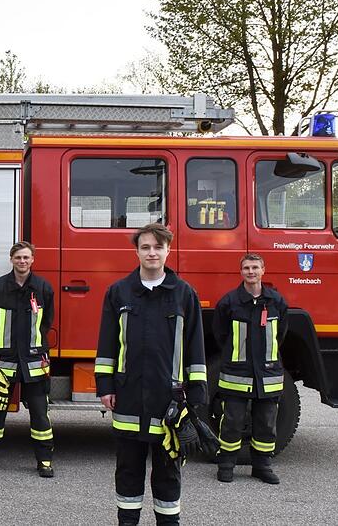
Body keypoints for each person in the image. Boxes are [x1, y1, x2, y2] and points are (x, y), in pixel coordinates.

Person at [95, 223, 207, 526]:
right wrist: (105, 384)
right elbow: (107, 342)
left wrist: (195, 395)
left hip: (168, 400)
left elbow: (195, 347)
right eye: (145, 247)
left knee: (168, 472)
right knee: (128, 469)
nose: (152, 252)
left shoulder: (184, 294)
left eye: (158, 247)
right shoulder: (118, 292)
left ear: (168, 250)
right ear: (137, 252)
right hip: (128, 396)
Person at [0, 241, 55, 477]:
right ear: (11, 259)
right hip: (4, 363)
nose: (22, 261)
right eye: (18, 257)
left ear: (33, 260)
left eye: (26, 257)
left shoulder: (43, 288)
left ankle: (45, 461)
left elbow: (47, 321)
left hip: (34, 362)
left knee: (40, 414)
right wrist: (2, 345)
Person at [212, 253, 288, 484]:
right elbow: (220, 335)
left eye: (255, 267)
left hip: (268, 374)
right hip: (236, 374)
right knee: (232, 422)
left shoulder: (276, 302)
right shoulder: (229, 302)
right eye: (246, 268)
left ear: (263, 270)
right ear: (241, 272)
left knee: (266, 423)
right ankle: (226, 465)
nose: (251, 271)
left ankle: (262, 466)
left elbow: (281, 334)